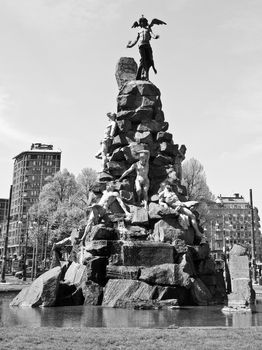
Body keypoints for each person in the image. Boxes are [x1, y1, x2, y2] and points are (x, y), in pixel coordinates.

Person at [127, 16, 160, 80]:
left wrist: (155, 37)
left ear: (145, 22)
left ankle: (143, 74)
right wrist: (130, 45)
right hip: (141, 45)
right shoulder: (139, 31)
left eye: (143, 22)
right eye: (141, 22)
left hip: (147, 45)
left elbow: (152, 34)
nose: (142, 23)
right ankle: (143, 75)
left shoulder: (148, 29)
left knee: (150, 60)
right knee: (143, 59)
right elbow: (136, 40)